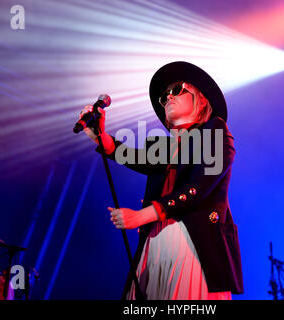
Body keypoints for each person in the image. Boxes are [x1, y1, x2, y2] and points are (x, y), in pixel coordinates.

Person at [80, 61, 243, 300]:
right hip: (154, 240)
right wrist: (100, 135)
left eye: (177, 89)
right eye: (164, 96)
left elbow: (199, 187)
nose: (168, 97)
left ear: (202, 99)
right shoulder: (165, 147)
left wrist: (141, 215)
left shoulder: (216, 130)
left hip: (193, 241)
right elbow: (133, 157)